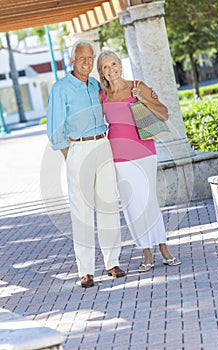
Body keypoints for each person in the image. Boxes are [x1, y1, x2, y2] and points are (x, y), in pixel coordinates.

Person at [46, 41, 125, 288]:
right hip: (78, 149)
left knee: (108, 206)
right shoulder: (60, 89)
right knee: (81, 212)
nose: (87, 62)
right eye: (82, 58)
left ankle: (112, 262)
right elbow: (54, 129)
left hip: (102, 145)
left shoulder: (94, 84)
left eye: (90, 58)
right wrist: (71, 155)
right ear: (71, 60)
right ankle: (86, 270)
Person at [97, 50, 181, 272]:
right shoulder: (101, 95)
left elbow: (164, 113)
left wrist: (142, 98)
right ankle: (146, 250)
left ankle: (163, 248)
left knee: (149, 200)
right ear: (101, 72)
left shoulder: (137, 85)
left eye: (113, 64)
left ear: (120, 65)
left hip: (144, 150)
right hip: (118, 155)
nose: (111, 69)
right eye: (105, 66)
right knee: (132, 204)